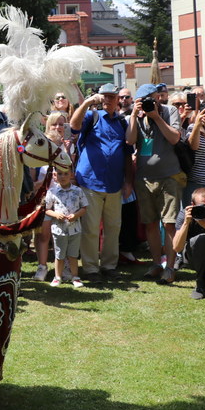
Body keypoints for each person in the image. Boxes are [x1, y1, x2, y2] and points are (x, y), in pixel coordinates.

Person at [70, 83, 132, 283]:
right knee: (91, 228)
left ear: (117, 100)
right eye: (104, 96)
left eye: (112, 96)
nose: (108, 100)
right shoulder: (92, 116)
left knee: (114, 227)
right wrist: (87, 103)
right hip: (90, 181)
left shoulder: (122, 123)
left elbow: (127, 155)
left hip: (114, 183)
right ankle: (90, 269)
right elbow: (73, 126)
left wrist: (128, 181)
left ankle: (109, 266)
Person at [127, 83, 183, 284]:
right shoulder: (137, 117)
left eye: (153, 98)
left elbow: (175, 138)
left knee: (169, 224)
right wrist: (134, 116)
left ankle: (170, 267)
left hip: (169, 176)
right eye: (145, 101)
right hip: (144, 178)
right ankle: (156, 263)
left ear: (158, 96)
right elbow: (130, 140)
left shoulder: (170, 111)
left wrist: (156, 117)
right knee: (150, 224)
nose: (151, 103)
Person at [33, 112, 75, 280]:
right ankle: (42, 266)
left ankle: (64, 266)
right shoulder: (39, 147)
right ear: (48, 126)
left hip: (64, 198)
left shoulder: (69, 147)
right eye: (54, 124)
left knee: (64, 235)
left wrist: (66, 149)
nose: (58, 128)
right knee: (43, 234)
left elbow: (71, 171)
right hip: (45, 197)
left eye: (61, 124)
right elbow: (34, 173)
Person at [44, 167, 88, 288]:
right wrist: (55, 214)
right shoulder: (52, 191)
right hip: (58, 230)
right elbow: (46, 209)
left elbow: (84, 208)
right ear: (54, 175)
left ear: (71, 175)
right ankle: (57, 277)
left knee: (73, 255)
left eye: (65, 174)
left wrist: (75, 215)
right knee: (59, 255)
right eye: (59, 174)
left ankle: (75, 277)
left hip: (75, 229)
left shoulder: (77, 191)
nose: (62, 177)